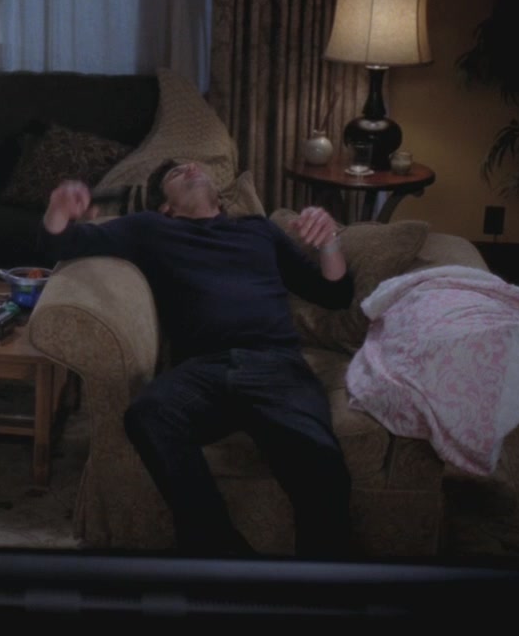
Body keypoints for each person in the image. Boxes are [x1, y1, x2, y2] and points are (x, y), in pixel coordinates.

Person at [38, 159, 355, 558]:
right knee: (148, 414)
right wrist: (58, 209)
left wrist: (329, 241)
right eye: (175, 173)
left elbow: (334, 294)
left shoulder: (258, 229)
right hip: (203, 371)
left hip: (275, 364)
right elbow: (61, 244)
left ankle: (319, 582)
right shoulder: (151, 228)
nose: (189, 169)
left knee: (320, 460)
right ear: (166, 206)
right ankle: (220, 553)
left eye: (193, 166)